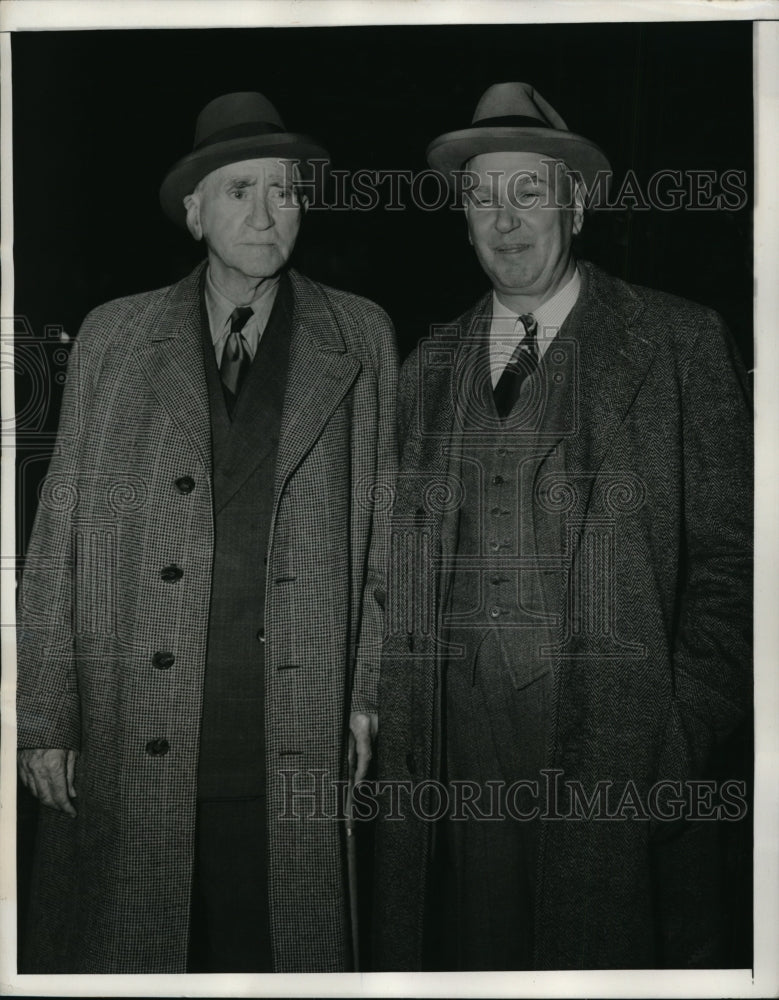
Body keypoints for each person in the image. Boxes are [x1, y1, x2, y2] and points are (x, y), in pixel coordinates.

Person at [373, 82, 752, 970]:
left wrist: (677, 736)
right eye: (480, 196)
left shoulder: (678, 343)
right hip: (453, 762)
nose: (504, 219)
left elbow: (737, 566)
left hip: (617, 756)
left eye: (528, 192)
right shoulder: (424, 369)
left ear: (575, 206)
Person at [17, 91, 396, 974]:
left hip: (291, 727)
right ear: (194, 213)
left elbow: (387, 537)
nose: (265, 214)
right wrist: (43, 713)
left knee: (280, 953)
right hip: (131, 725)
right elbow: (58, 532)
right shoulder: (116, 336)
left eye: (284, 191)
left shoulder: (361, 334)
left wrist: (367, 690)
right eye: (238, 191)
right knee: (142, 953)